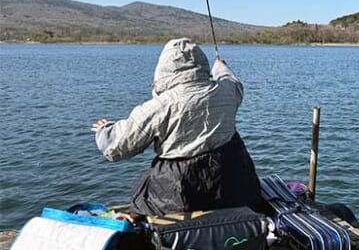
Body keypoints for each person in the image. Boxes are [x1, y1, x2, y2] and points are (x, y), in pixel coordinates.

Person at [92, 38, 261, 216]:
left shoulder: (157, 107)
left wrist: (105, 129)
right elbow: (231, 79)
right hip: (234, 187)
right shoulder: (227, 91)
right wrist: (220, 66)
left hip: (179, 196)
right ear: (202, 63)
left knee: (141, 197)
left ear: (164, 69)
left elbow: (116, 148)